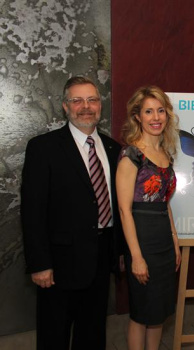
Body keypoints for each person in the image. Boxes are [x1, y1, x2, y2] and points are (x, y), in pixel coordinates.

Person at [21, 76, 122, 350]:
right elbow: (33, 211)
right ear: (65, 106)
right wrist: (40, 263)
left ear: (100, 105)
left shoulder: (114, 149)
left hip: (102, 258)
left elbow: (121, 206)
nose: (85, 106)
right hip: (59, 263)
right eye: (77, 100)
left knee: (92, 335)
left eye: (92, 99)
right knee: (54, 335)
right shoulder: (44, 148)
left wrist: (120, 253)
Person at [116, 86, 181, 350]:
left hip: (164, 242)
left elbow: (165, 204)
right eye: (148, 111)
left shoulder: (167, 154)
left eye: (160, 110)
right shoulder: (131, 155)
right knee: (142, 314)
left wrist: (175, 243)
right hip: (141, 241)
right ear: (137, 117)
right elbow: (124, 211)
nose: (156, 117)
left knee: (159, 314)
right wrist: (136, 257)